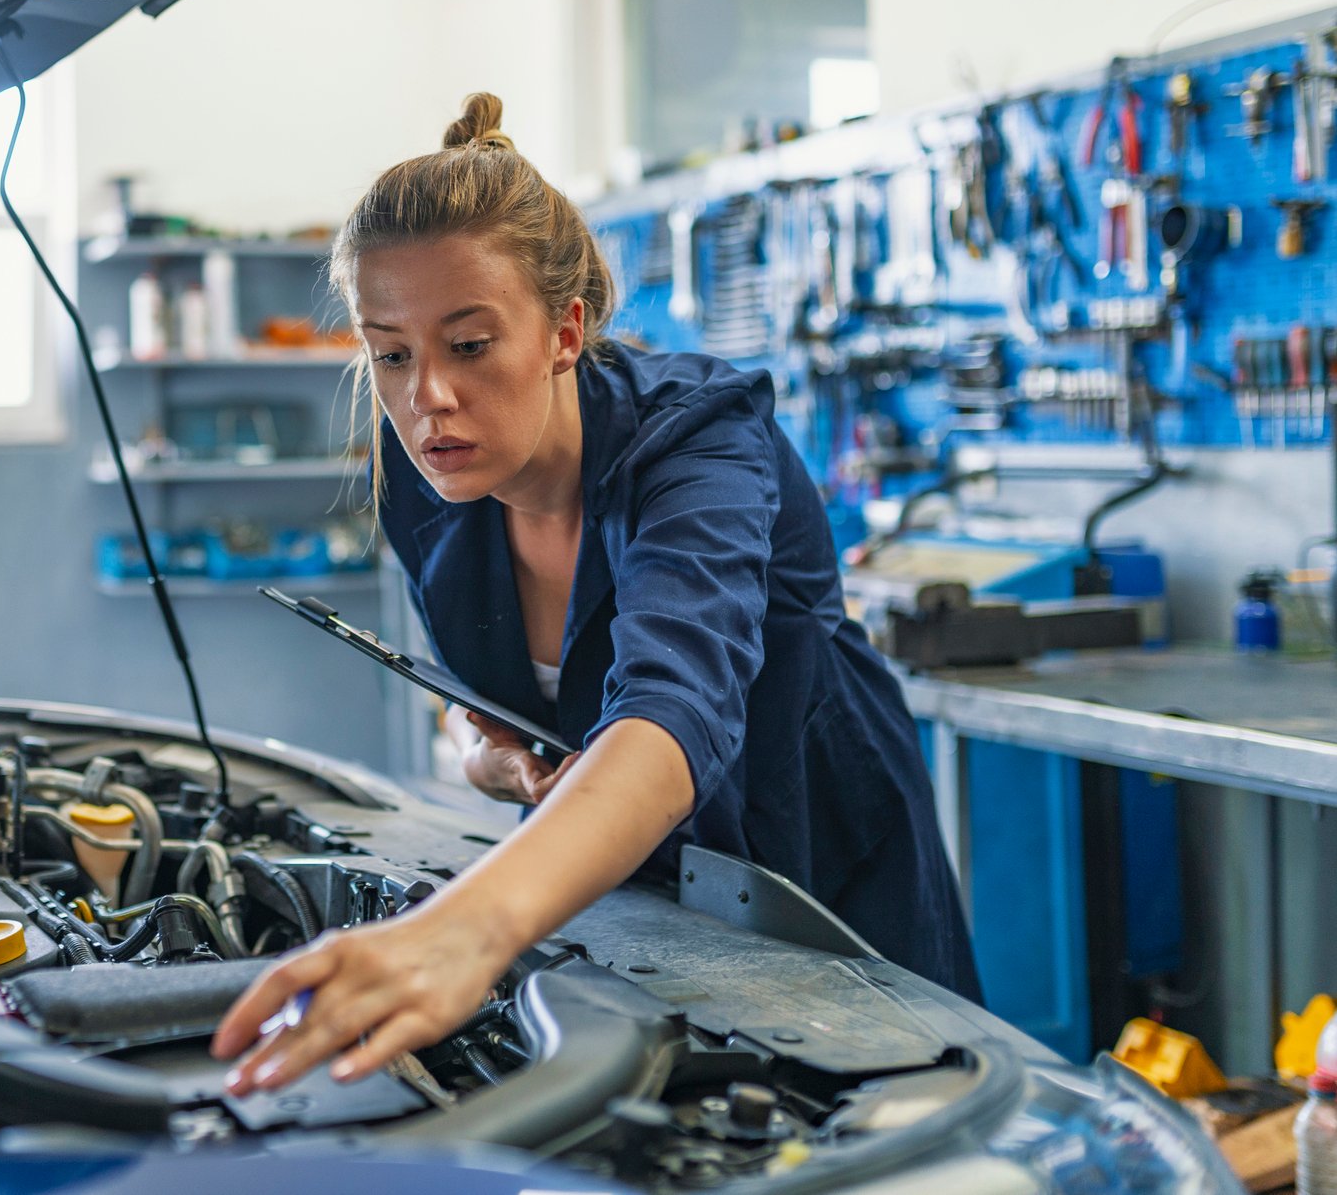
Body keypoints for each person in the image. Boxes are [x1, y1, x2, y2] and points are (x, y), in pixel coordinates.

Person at [210, 93, 979, 1096]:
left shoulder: (699, 441)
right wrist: (473, 739)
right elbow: (468, 668)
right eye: (390, 351)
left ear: (564, 330)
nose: (424, 396)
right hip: (608, 887)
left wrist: (459, 931)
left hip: (811, 873)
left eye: (470, 343)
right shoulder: (428, 472)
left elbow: (673, 708)